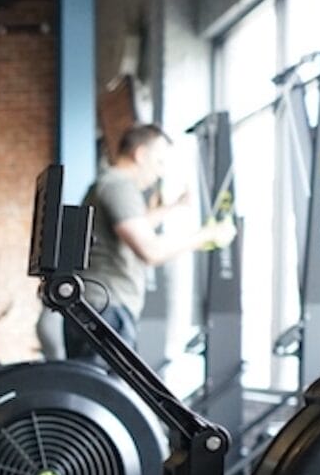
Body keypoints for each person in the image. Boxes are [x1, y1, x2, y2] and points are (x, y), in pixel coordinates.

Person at [52, 123, 236, 363]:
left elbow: (131, 224)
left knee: (97, 383)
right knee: (104, 385)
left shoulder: (106, 183)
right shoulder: (119, 186)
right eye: (159, 161)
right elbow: (150, 251)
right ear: (140, 154)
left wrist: (174, 207)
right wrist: (203, 237)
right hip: (107, 307)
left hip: (98, 305)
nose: (159, 172)